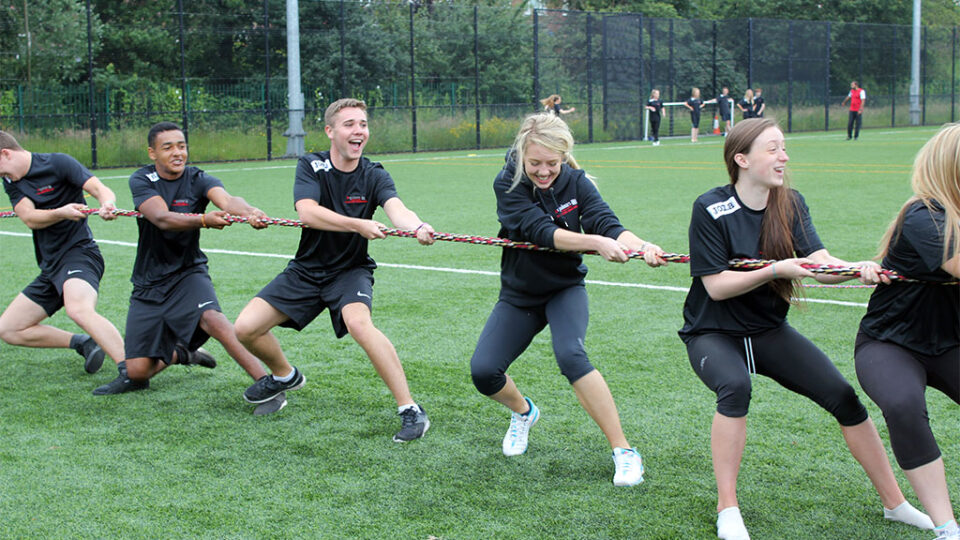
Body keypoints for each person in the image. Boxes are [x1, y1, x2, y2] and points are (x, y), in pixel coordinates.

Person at [678, 117, 934, 540]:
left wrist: (856, 270)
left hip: (768, 331)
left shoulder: (790, 203)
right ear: (741, 159)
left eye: (784, 147)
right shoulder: (709, 207)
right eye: (773, 148)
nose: (784, 156)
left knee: (845, 399)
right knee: (735, 387)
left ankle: (896, 504)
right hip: (712, 333)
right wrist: (776, 268)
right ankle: (728, 508)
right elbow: (717, 287)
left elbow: (821, 264)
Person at [469, 112, 667, 486]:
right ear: (521, 156)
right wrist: (595, 243)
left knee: (571, 355)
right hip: (520, 295)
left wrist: (642, 247)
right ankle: (524, 412)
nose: (544, 172)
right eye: (535, 164)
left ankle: (624, 451)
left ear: (564, 157)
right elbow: (541, 232)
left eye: (552, 164)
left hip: (564, 289)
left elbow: (607, 224)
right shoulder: (508, 183)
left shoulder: (575, 182)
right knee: (483, 372)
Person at [233, 98, 436, 442]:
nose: (359, 131)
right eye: (349, 124)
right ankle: (285, 376)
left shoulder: (374, 173)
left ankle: (410, 409)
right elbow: (308, 213)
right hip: (306, 270)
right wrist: (358, 224)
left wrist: (417, 227)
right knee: (245, 328)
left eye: (363, 124)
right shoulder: (311, 165)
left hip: (350, 271)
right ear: (330, 131)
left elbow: (397, 208)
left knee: (359, 323)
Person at [94, 121, 274, 404]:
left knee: (214, 319)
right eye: (168, 147)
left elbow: (226, 200)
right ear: (152, 153)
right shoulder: (142, 179)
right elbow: (161, 218)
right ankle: (184, 353)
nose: (178, 152)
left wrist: (249, 211)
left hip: (189, 272)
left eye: (181, 146)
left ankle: (267, 383)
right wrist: (203, 219)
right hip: (148, 280)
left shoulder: (197, 178)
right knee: (137, 372)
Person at [854, 123, 960, 540]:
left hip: (950, 343)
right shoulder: (924, 213)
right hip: (890, 344)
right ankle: (947, 527)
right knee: (902, 404)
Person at [0, 130, 124, 382]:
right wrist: (61, 212)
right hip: (51, 267)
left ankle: (131, 369)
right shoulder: (11, 180)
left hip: (79, 255)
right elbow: (30, 218)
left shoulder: (58, 163)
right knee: (9, 329)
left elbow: (99, 188)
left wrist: (107, 203)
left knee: (78, 309)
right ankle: (84, 343)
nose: (3, 177)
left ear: (5, 154)